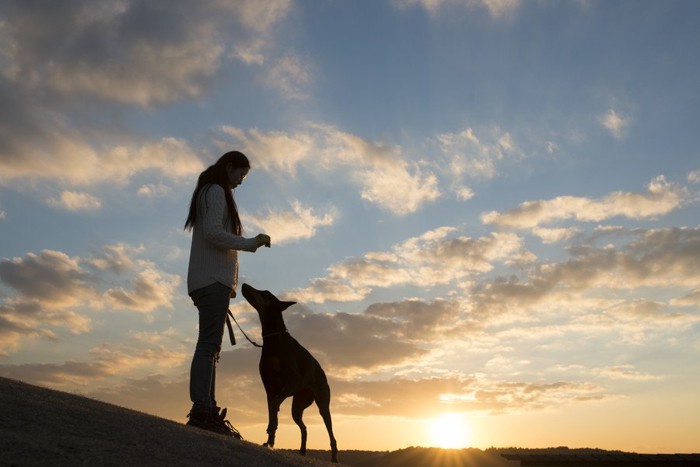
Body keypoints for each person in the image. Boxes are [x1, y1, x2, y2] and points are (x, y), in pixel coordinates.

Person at [183, 150, 271, 436]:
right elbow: (213, 234)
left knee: (211, 347)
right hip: (211, 282)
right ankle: (202, 410)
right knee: (208, 345)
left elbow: (211, 234)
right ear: (230, 167)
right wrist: (250, 243)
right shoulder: (215, 191)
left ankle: (207, 407)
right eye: (241, 175)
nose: (241, 182)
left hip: (210, 282)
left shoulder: (210, 191)